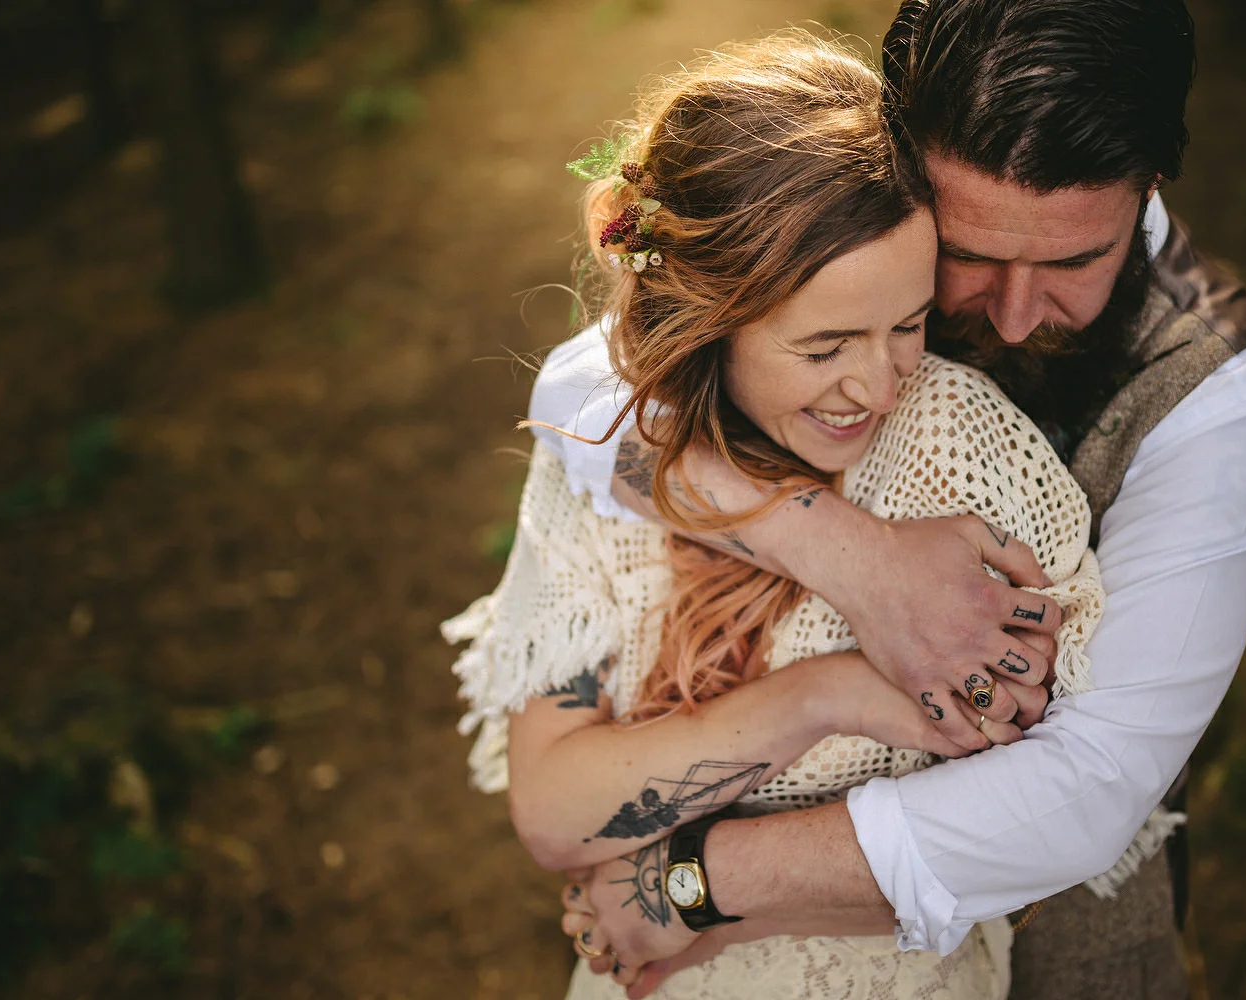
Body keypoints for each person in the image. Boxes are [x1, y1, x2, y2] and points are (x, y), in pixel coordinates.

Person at [537, 2, 1246, 998]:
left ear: (1151, 186)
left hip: (1057, 939)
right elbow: (578, 393)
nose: (1016, 314)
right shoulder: (865, 217)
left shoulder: (1231, 395)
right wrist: (848, 555)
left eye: (1076, 260)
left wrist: (694, 885)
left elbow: (1092, 784)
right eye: (971, 253)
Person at [444, 31, 1110, 1000]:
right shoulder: (603, 465)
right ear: (709, 320)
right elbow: (554, 814)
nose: (878, 384)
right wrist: (821, 696)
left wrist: (702, 899)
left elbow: (1036, 817)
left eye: (909, 324)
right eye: (825, 346)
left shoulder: (960, 445)